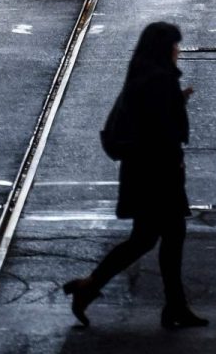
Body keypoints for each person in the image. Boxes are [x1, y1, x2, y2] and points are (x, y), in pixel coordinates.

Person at [63, 22, 207, 330]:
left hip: (144, 172)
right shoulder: (158, 79)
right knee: (163, 237)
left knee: (148, 239)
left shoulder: (144, 74)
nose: (177, 52)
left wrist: (175, 103)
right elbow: (159, 129)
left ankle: (92, 288)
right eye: (174, 46)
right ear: (164, 49)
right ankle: (172, 306)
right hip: (157, 174)